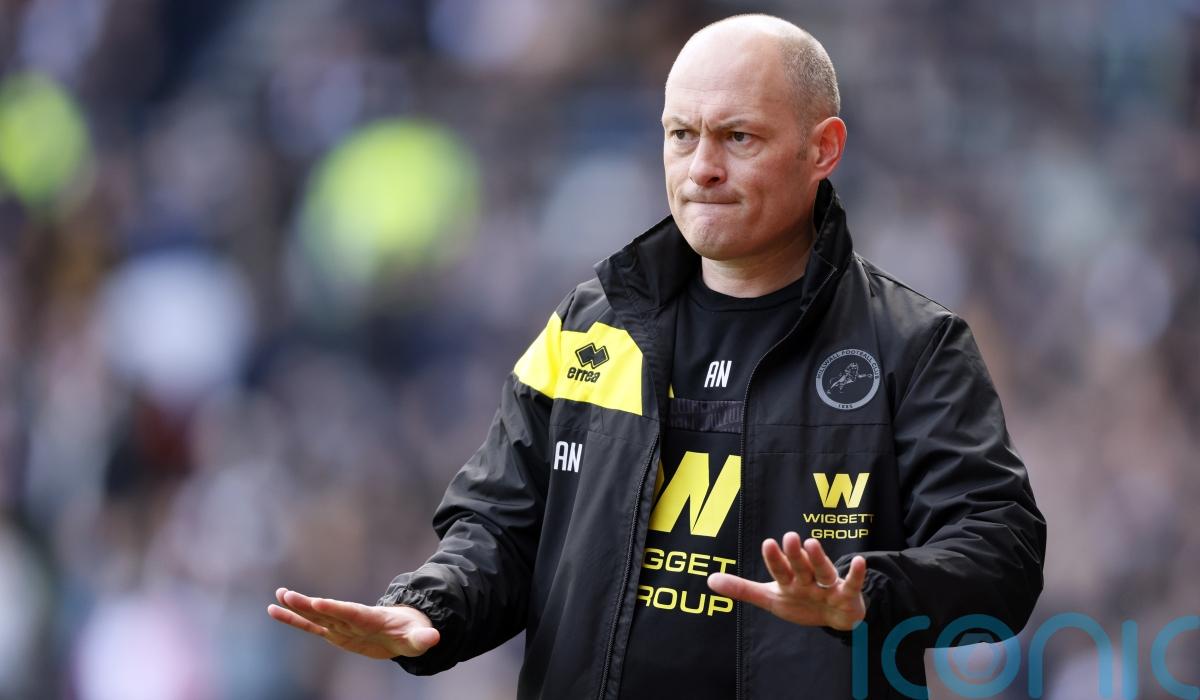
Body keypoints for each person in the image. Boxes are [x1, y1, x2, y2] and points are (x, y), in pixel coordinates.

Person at [268, 14, 1046, 699]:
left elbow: (1001, 552)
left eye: (738, 137)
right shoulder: (588, 327)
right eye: (682, 135)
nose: (702, 167)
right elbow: (500, 528)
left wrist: (869, 594)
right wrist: (429, 605)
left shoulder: (914, 346)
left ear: (823, 149)